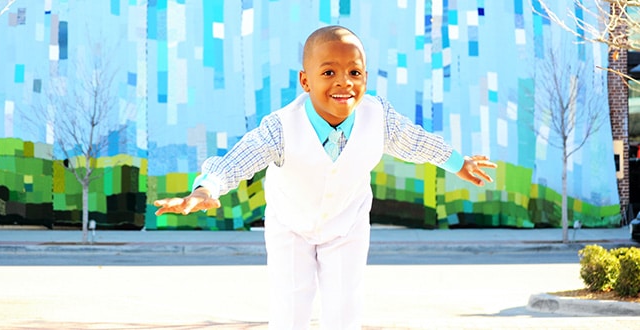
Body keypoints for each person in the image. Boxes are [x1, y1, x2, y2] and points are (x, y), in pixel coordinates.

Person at [154, 25, 497, 330]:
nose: (344, 82)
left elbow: (414, 141)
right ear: (305, 81)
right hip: (290, 226)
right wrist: (205, 189)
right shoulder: (281, 127)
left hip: (347, 225)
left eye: (354, 72)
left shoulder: (379, 117)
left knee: (344, 312)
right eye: (329, 72)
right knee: (290, 312)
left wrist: (457, 162)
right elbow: (239, 159)